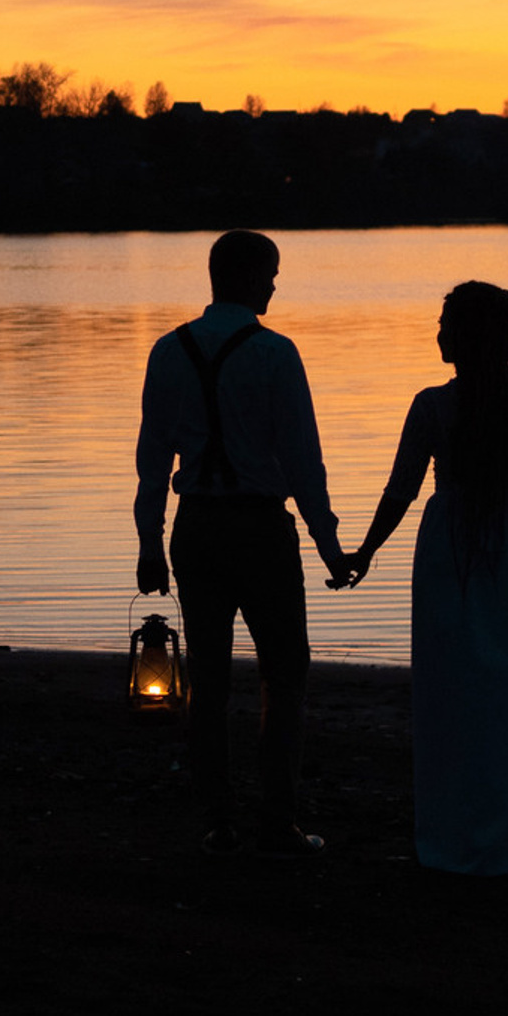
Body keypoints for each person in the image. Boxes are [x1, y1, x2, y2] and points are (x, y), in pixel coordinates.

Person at [344, 281, 508, 874]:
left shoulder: (432, 406)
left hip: (448, 549)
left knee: (452, 691)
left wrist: (366, 550)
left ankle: (457, 833)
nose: (439, 334)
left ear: (467, 337)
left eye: (446, 323)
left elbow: (401, 489)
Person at [135, 229, 356, 855]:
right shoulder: (276, 354)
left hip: (196, 528)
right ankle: (277, 821)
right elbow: (303, 462)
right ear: (246, 277)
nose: (275, 285)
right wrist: (328, 545)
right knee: (284, 676)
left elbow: (152, 460)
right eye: (271, 274)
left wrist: (149, 542)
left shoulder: (167, 350)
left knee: (208, 679)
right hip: (260, 529)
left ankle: (217, 822)